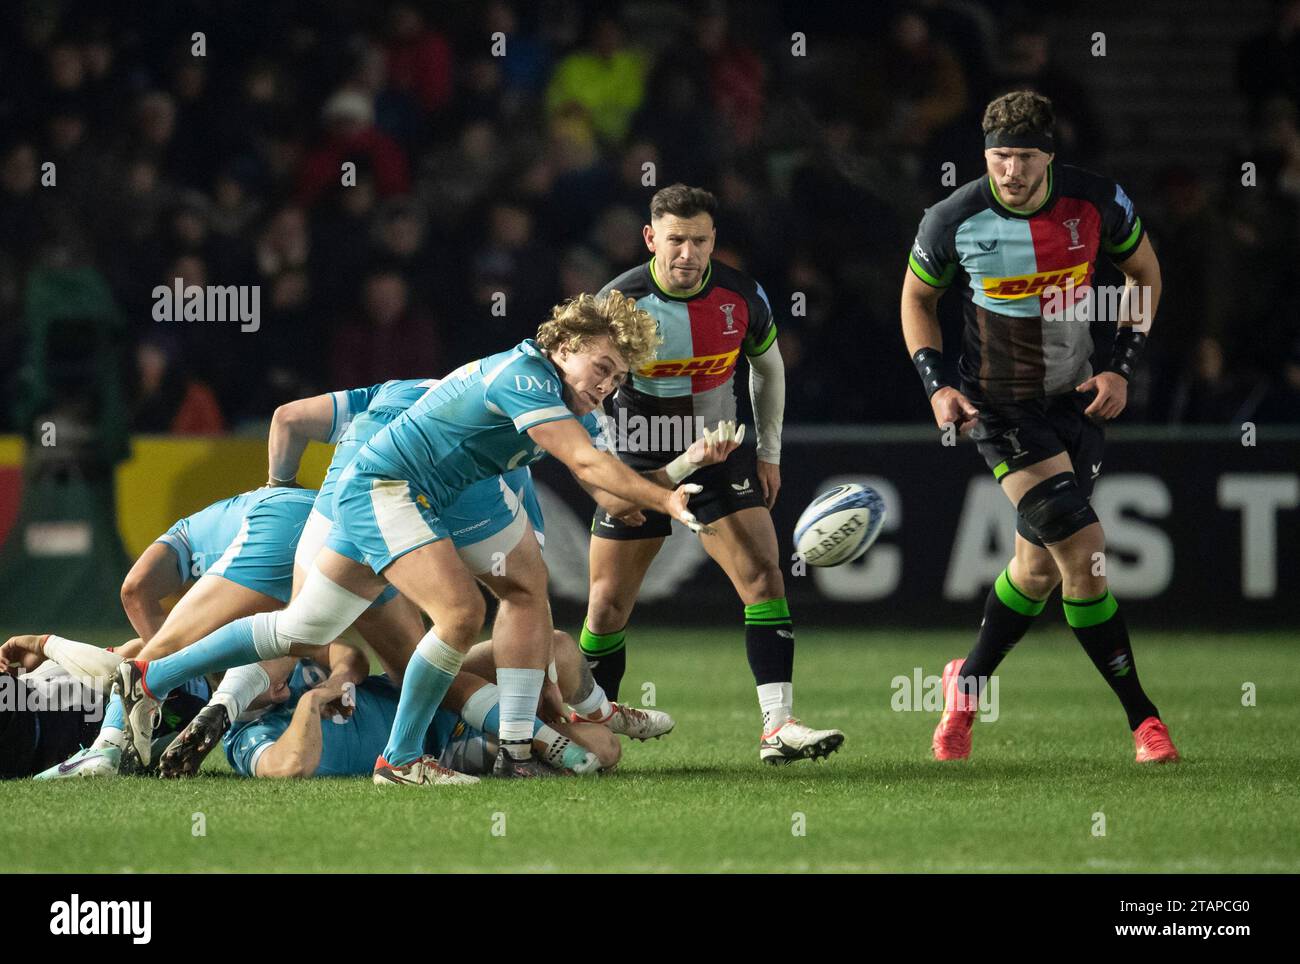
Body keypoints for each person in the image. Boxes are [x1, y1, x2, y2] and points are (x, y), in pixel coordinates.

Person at [114, 292, 740, 786]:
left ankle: (150, 678)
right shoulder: (522, 378)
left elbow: (609, 494)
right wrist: (667, 501)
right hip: (384, 488)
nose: (606, 385)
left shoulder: (569, 398)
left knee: (315, 627)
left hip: (424, 497)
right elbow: (587, 468)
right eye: (602, 367)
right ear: (567, 344)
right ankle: (403, 759)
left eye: (617, 377)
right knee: (456, 612)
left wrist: (680, 471)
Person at [900, 90, 1179, 763]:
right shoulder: (953, 217)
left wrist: (1119, 368)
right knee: (1085, 553)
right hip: (1000, 408)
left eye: (1023, 158)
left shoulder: (1095, 202)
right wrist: (937, 387)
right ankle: (1144, 721)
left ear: (1048, 155)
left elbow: (1143, 272)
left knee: (1035, 572)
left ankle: (965, 688)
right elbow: (917, 297)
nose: (1010, 172)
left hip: (1076, 403)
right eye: (999, 157)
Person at [582, 183, 844, 765]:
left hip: (720, 457)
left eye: (699, 240)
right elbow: (586, 388)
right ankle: (586, 726)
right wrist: (607, 466)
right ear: (651, 238)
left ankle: (778, 726)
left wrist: (769, 453)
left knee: (763, 576)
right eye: (675, 239)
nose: (687, 253)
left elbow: (768, 370)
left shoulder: (741, 295)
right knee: (606, 607)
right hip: (638, 461)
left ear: (713, 241)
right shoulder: (617, 301)